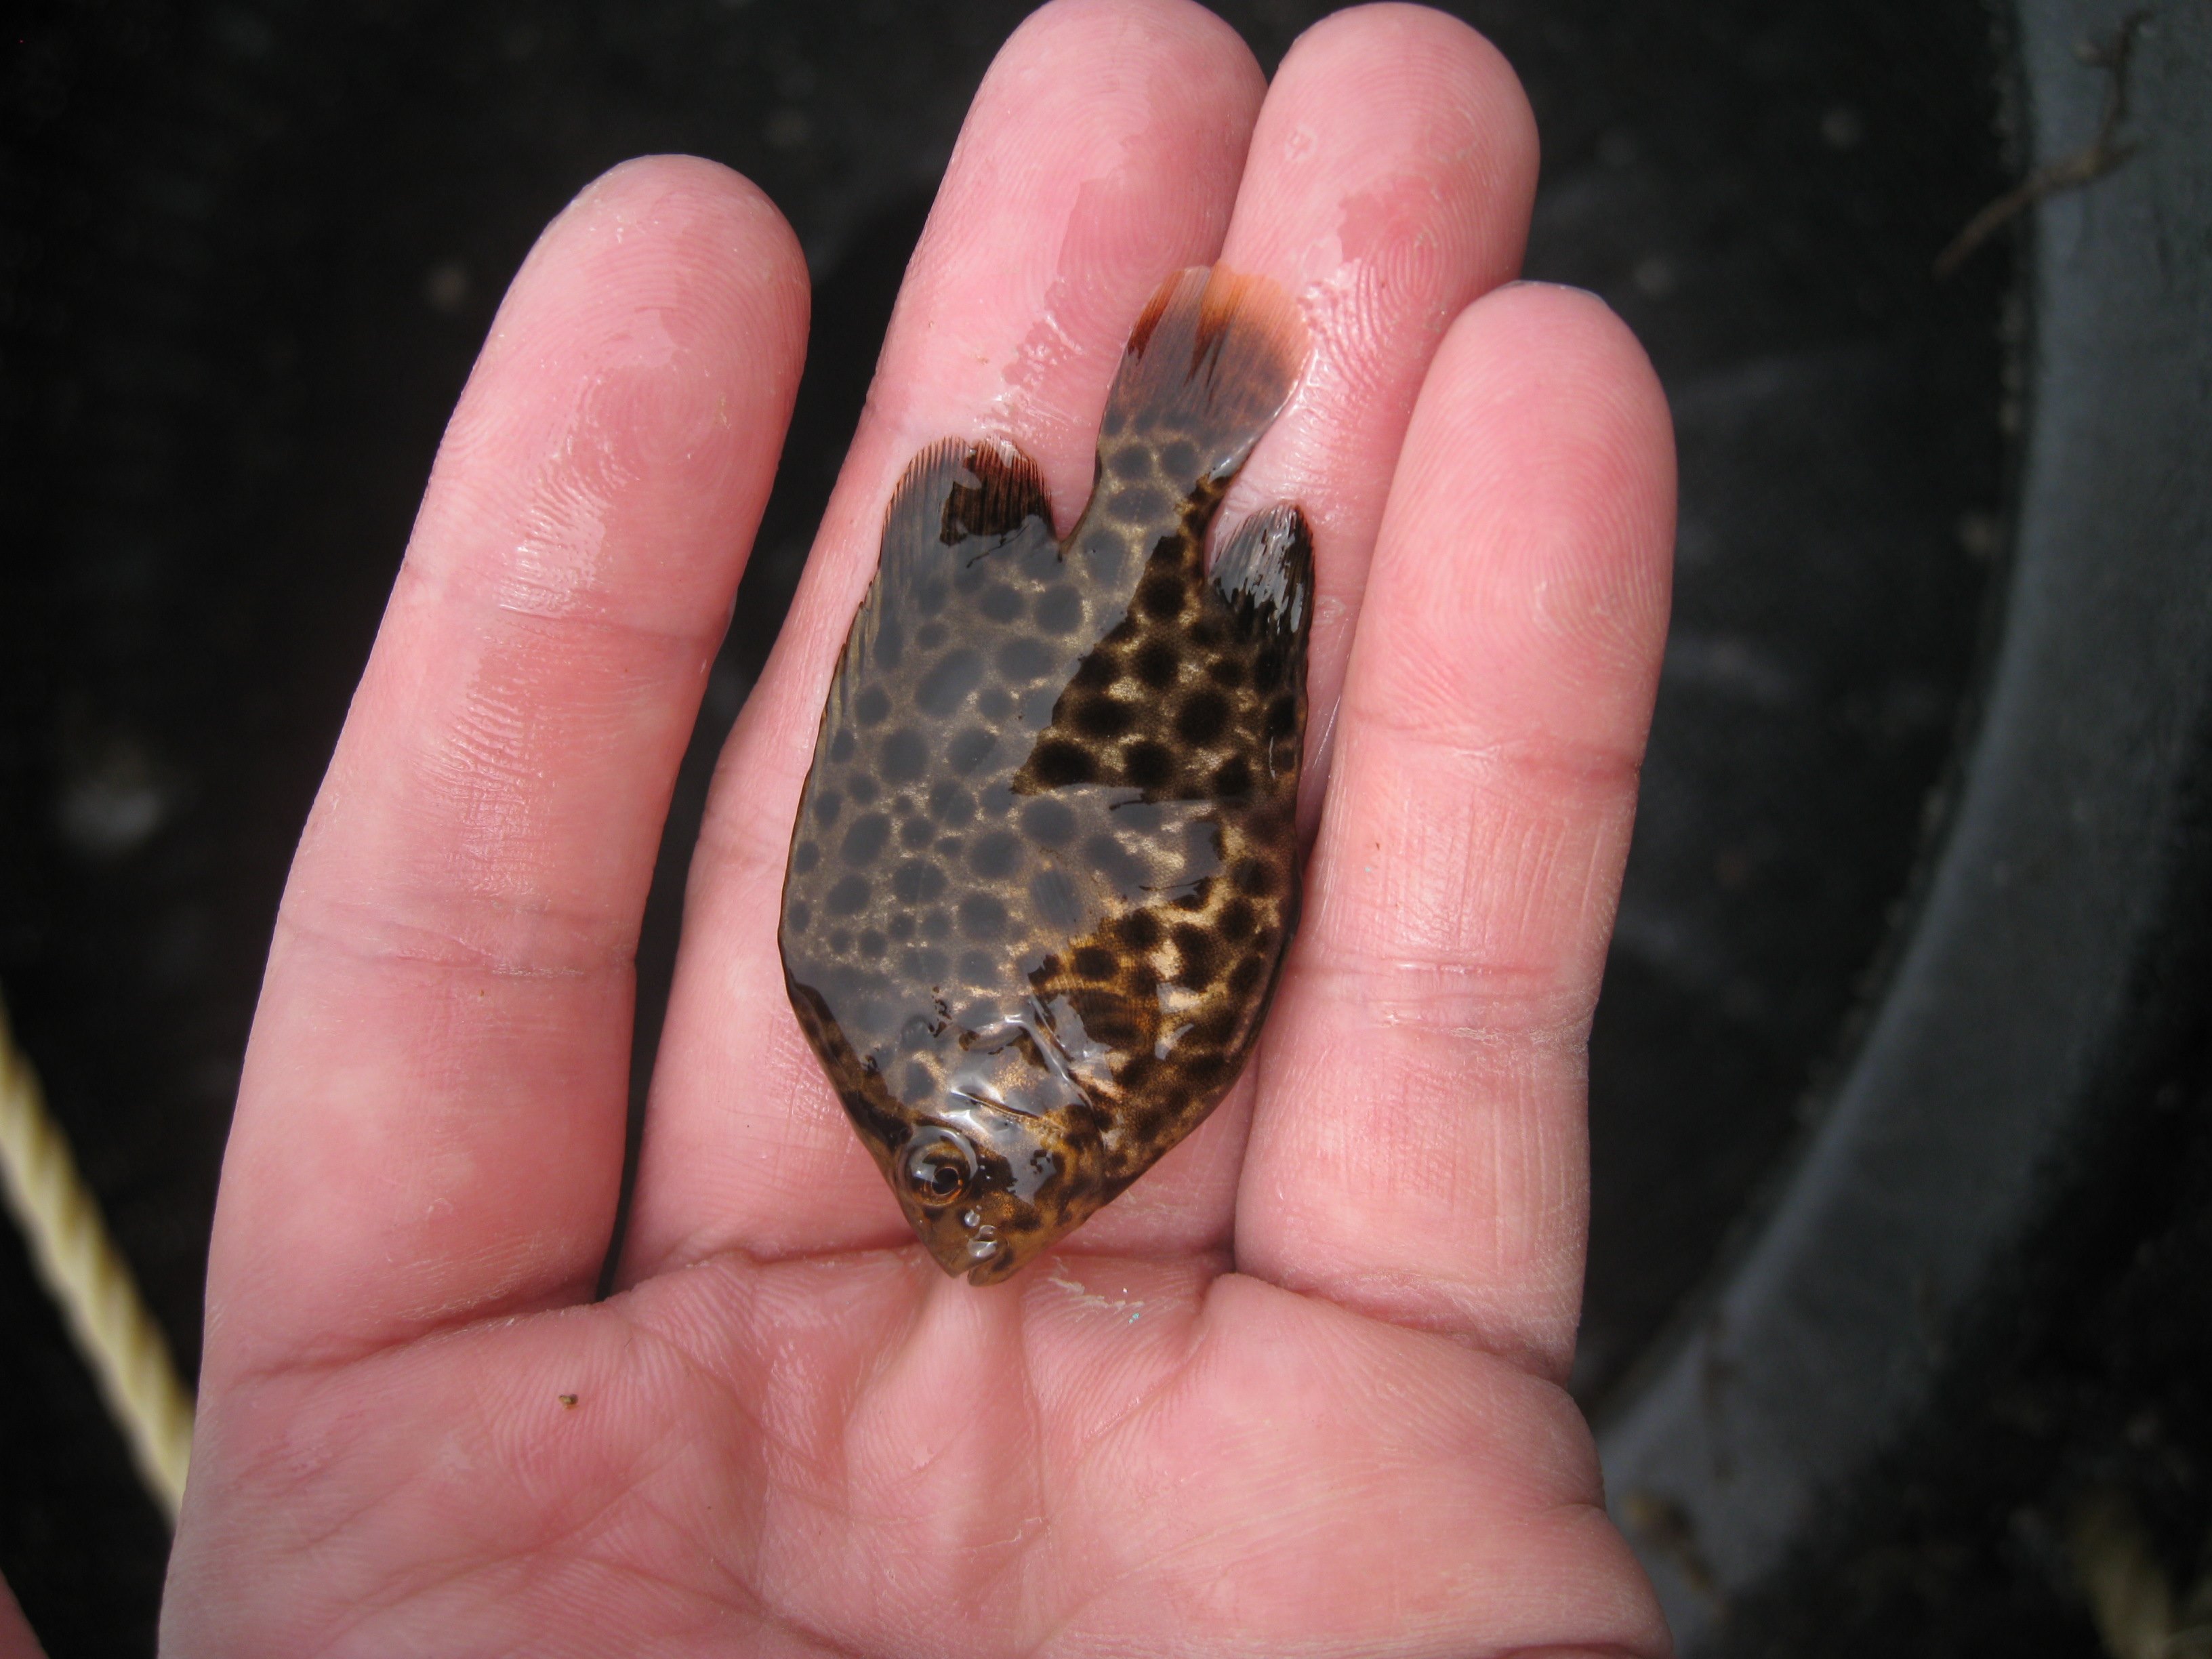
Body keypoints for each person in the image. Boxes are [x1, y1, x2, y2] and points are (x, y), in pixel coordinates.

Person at [155, 2, 1677, 1651]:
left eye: (951, 1168)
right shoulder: (873, 1003)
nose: (971, 1219)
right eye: (951, 1171)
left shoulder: (873, 1003)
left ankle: (1161, 478)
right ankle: (1160, 479)